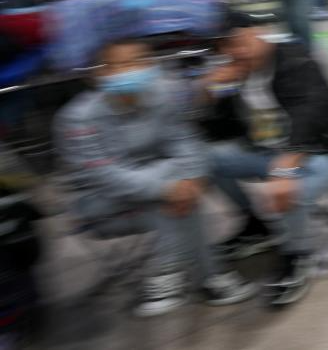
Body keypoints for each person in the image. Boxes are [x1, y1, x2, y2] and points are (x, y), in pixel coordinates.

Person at [53, 38, 256, 317]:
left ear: (150, 65)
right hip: (99, 203)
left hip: (157, 184)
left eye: (137, 61)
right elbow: (105, 176)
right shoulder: (79, 118)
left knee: (185, 195)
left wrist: (191, 179)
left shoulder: (160, 96)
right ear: (100, 73)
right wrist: (166, 187)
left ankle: (178, 277)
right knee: (171, 204)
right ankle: (196, 276)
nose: (130, 70)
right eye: (119, 64)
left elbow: (186, 141)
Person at [202, 23, 328, 307]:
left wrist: (284, 168)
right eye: (227, 46)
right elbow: (219, 131)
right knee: (203, 160)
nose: (237, 50)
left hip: (321, 153)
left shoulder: (296, 60)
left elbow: (310, 116)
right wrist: (210, 93)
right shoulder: (235, 72)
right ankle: (256, 226)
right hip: (264, 151)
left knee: (293, 189)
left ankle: (297, 254)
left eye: (241, 40)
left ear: (260, 32)